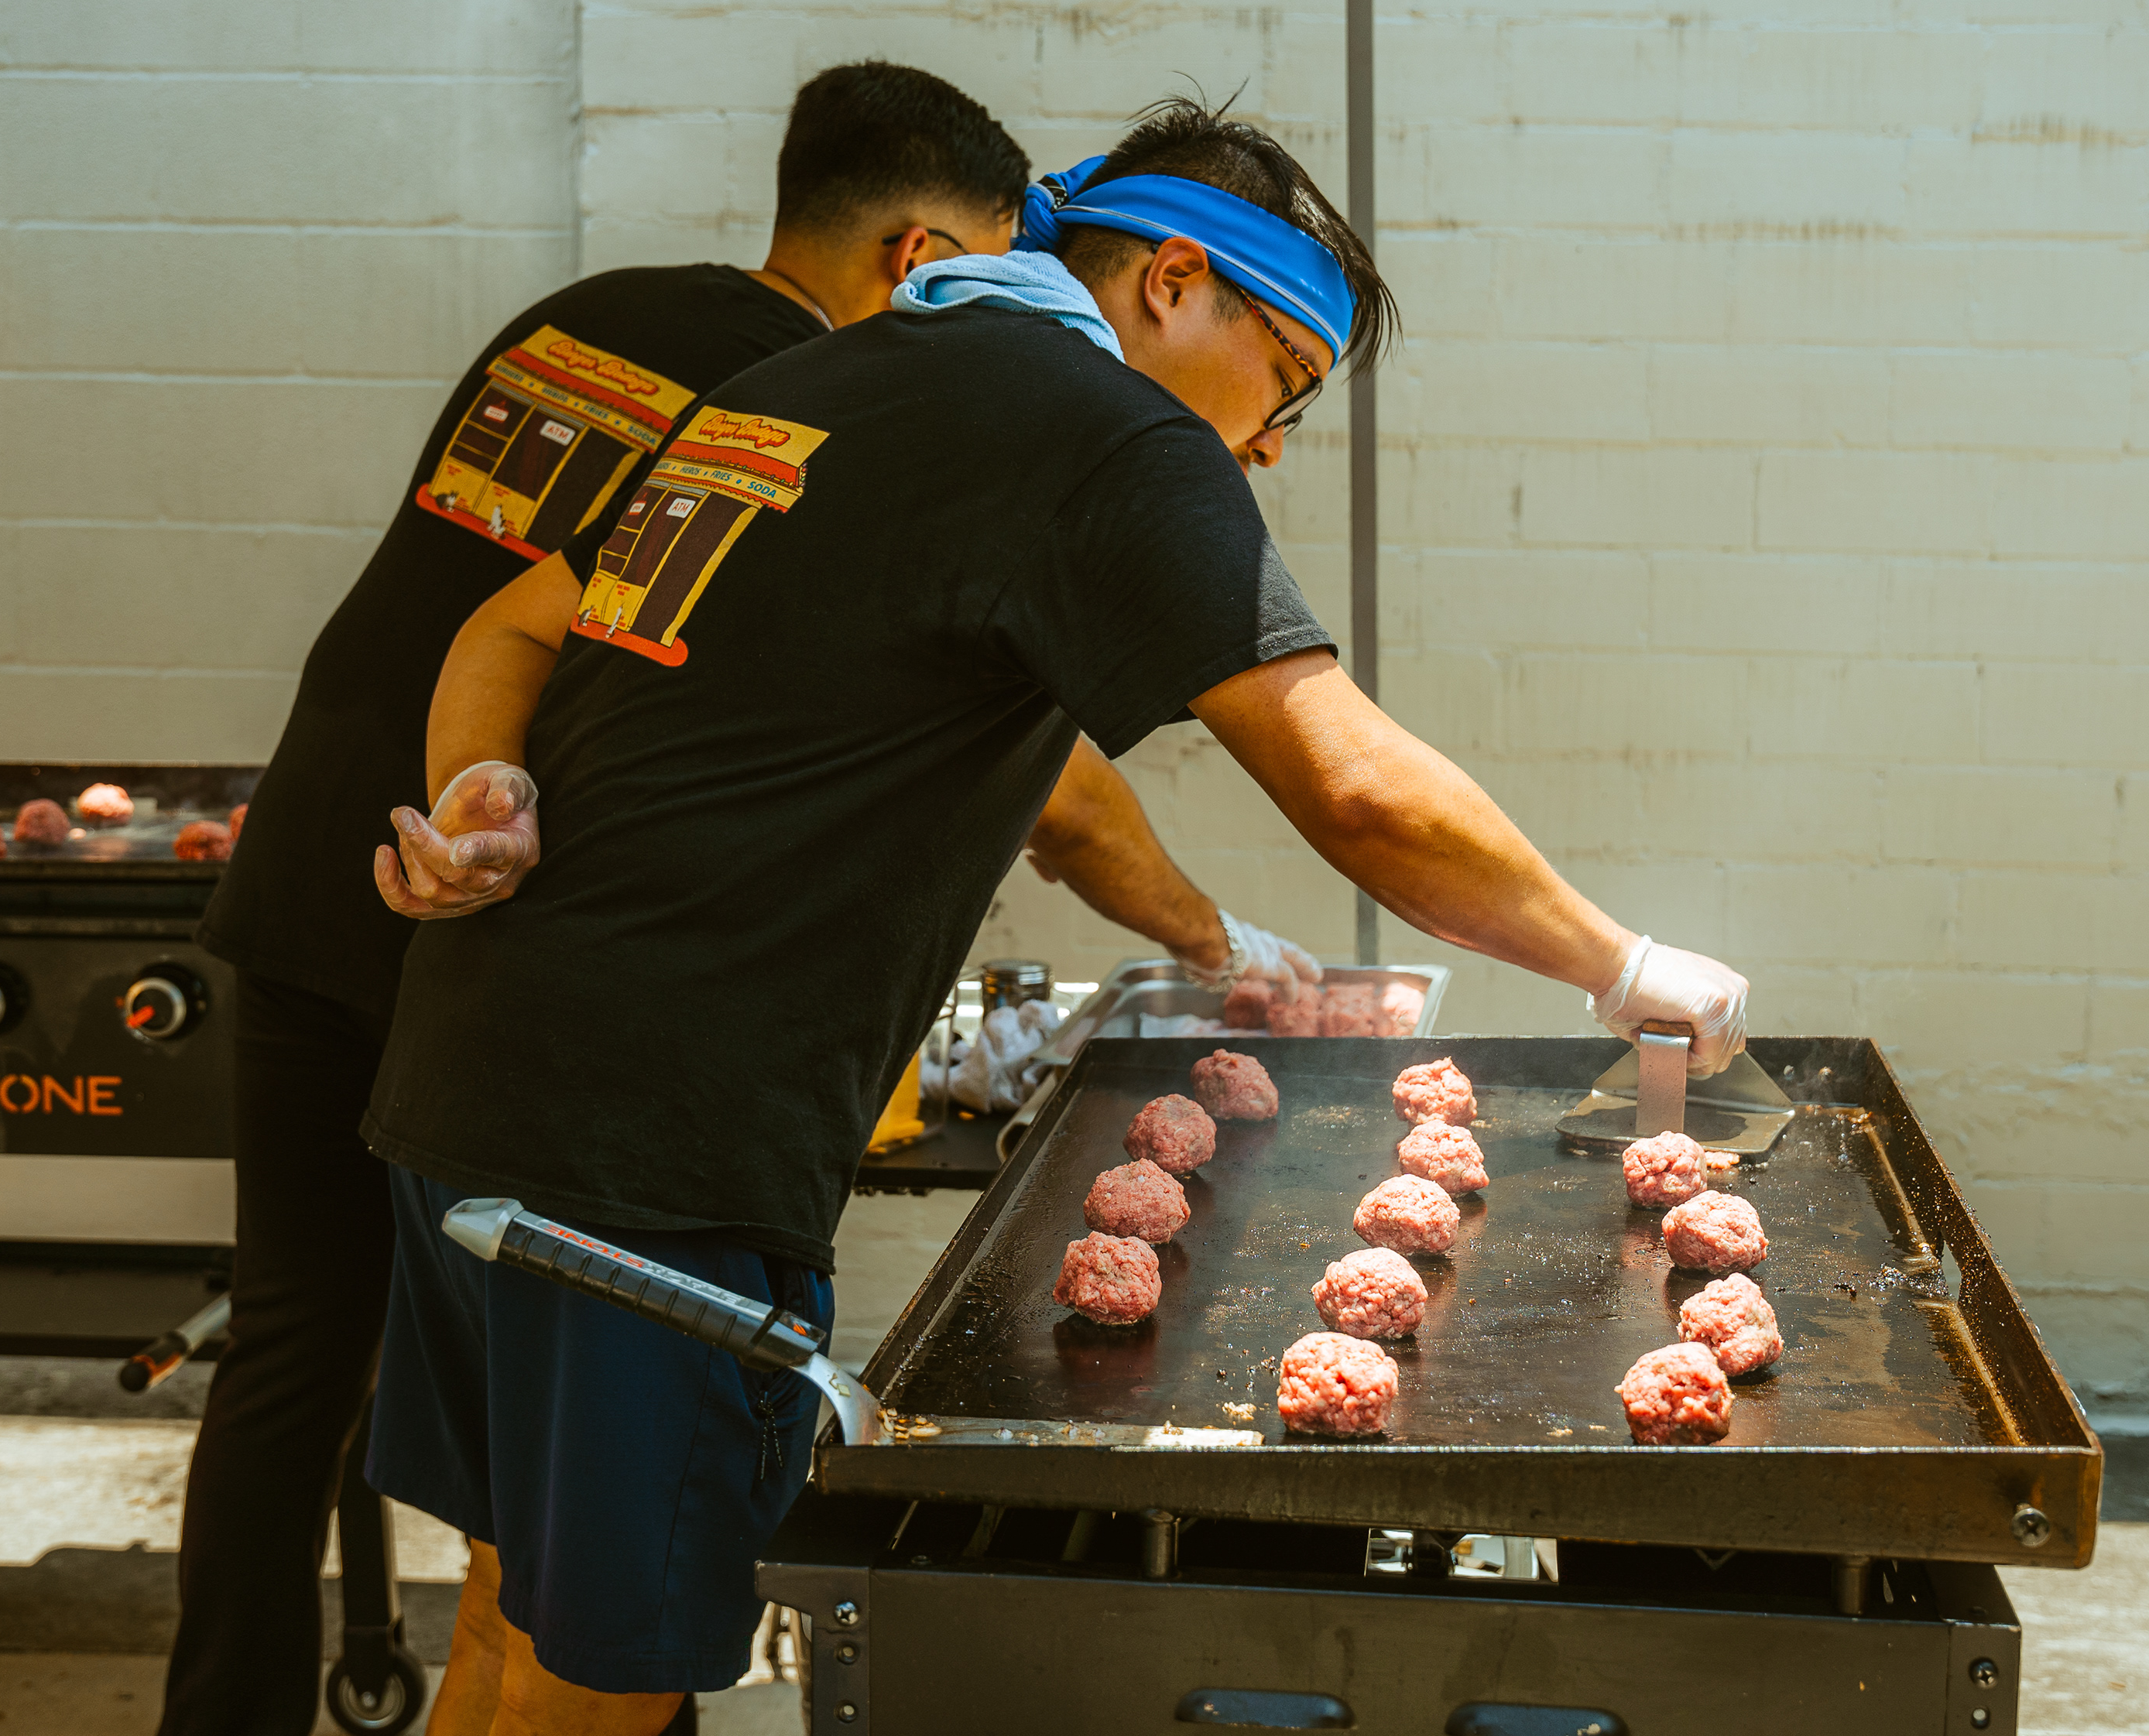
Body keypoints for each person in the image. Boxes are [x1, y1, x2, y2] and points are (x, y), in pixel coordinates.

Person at [360, 98, 1753, 1736]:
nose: (1270, 446)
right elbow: (1350, 782)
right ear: (1172, 282)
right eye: (1287, 383)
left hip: (470, 1092)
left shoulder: (809, 386)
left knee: (510, 1618)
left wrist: (484, 791)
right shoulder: (1104, 432)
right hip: (646, 1159)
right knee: (603, 1686)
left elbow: (509, 628)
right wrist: (1618, 961)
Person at [163, 61, 1305, 1736]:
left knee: (323, 1391)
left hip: (374, 896)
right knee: (610, 1592)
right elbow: (1059, 779)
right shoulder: (870, 395)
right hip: (536, 954)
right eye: (1001, 269)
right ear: (924, 259)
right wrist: (1217, 935)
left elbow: (507, 611)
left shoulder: (604, 320)